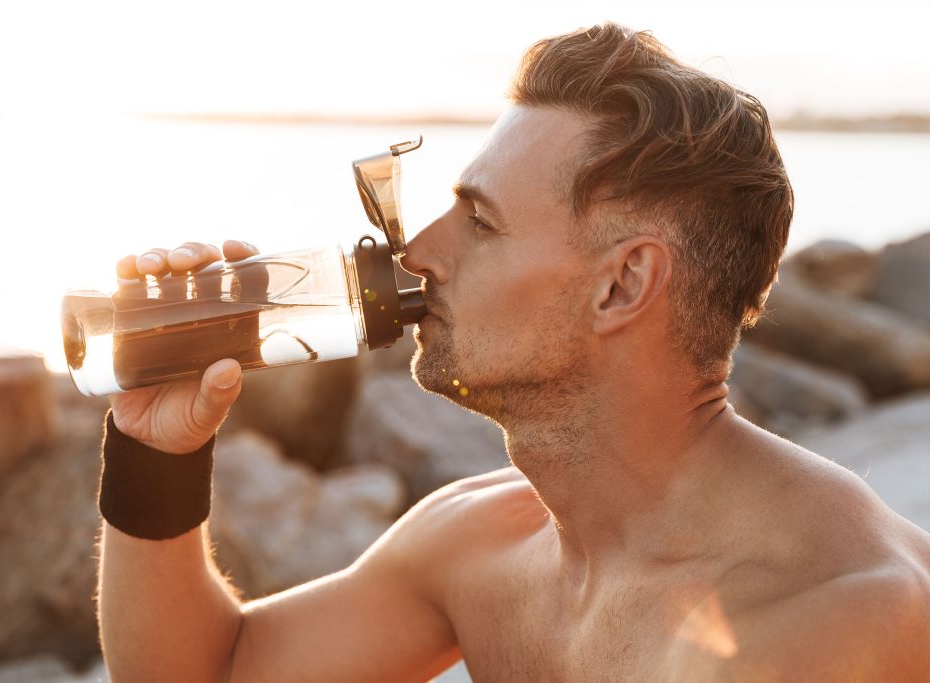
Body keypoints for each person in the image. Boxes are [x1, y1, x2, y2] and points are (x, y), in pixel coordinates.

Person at [96, 23, 930, 682]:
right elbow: (209, 670)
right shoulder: (484, 541)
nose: (416, 250)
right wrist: (156, 451)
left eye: (480, 222)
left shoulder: (838, 623)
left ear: (622, 285)